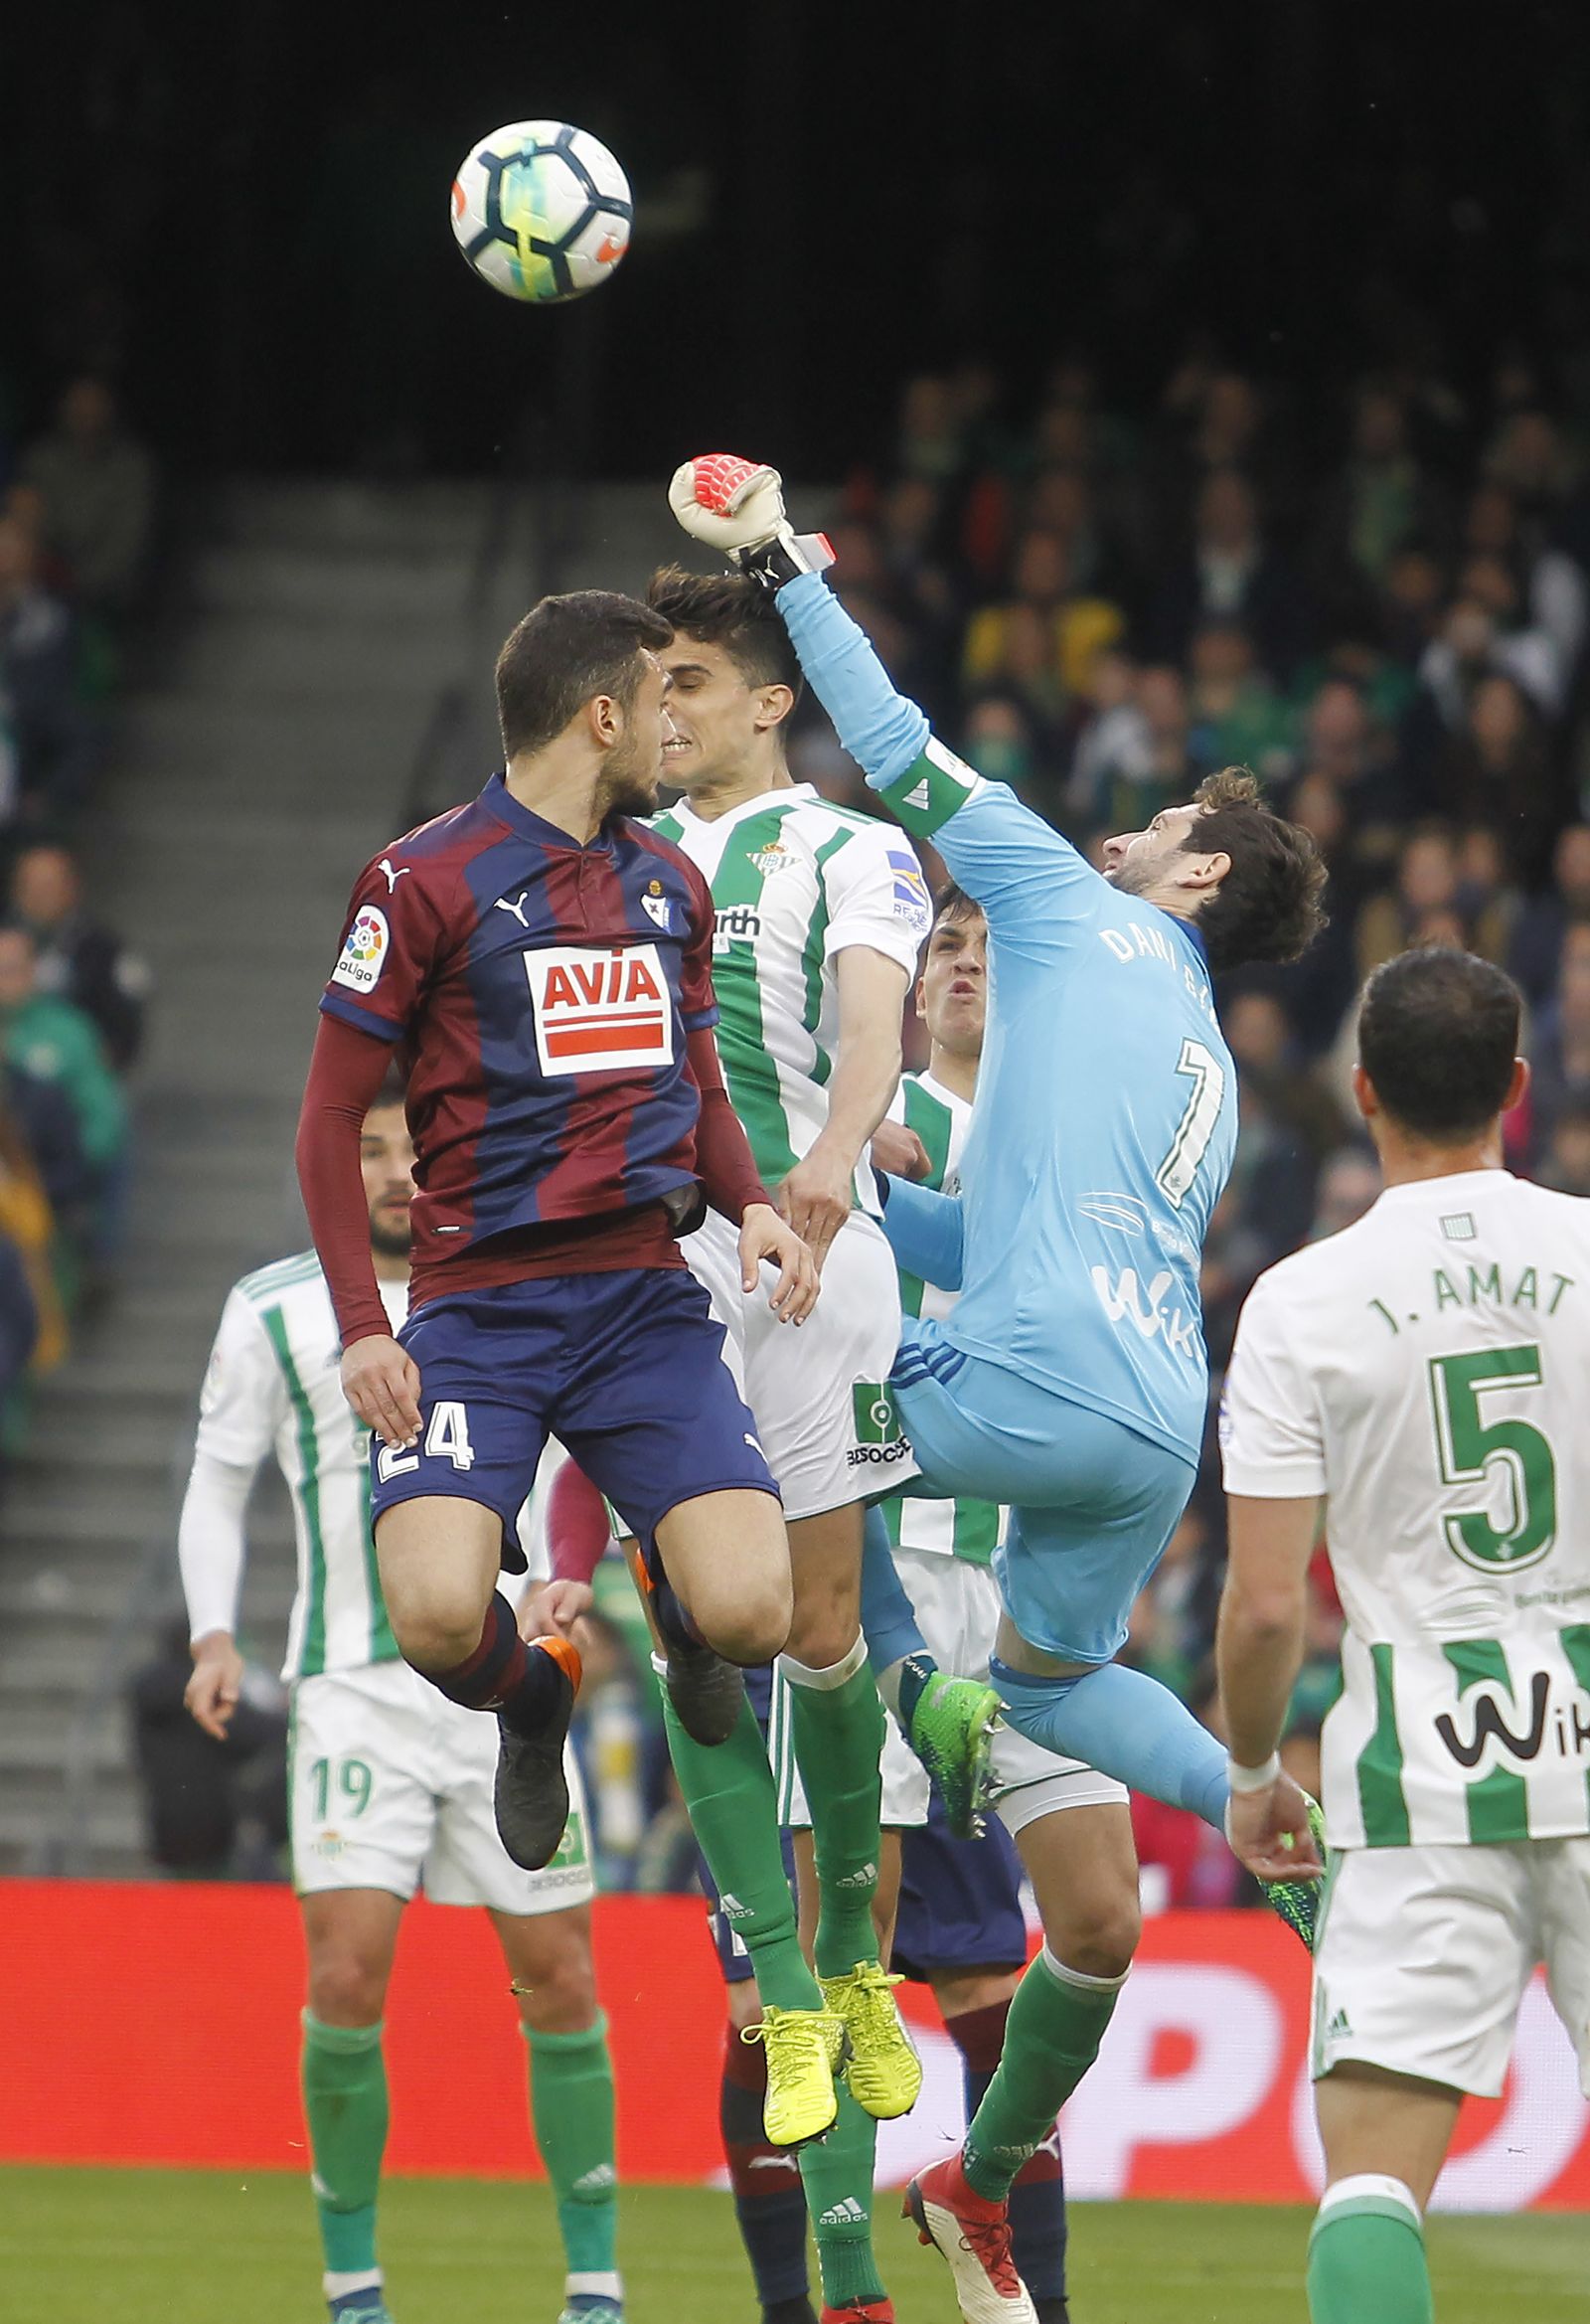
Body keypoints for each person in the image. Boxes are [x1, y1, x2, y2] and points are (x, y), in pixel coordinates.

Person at [666, 456, 1330, 2321]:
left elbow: (885, 734)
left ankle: (894, 1739)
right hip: (1146, 1418)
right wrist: (863, 1178)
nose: (1136, 820)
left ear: (1195, 869)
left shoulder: (1057, 898)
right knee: (1065, 1673)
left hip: (1039, 1381)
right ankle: (1259, 1804)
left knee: (798, 1461)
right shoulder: (1195, 1046)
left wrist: (785, 555)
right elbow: (1006, 1231)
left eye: (1171, 816)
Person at [294, 591, 861, 2157]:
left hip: (635, 1296)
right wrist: (364, 1321)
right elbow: (327, 1118)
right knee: (429, 1616)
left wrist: (749, 1206)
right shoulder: (425, 881)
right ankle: (530, 1697)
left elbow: (693, 1084)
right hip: (474, 1307)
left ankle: (676, 1627)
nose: (683, 727)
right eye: (658, 703)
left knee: (749, 1611)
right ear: (598, 716)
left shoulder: (667, 880)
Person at [183, 1081, 625, 2324]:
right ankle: (354, 2289)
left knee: (562, 1976)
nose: (393, 1171)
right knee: (346, 1975)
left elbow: (578, 1449)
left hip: (506, 1688)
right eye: (368, 1149)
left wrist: (557, 1576)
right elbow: (218, 1484)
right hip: (351, 1691)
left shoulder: (515, 1284)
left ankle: (594, 2284)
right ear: (336, 1165)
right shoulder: (273, 1311)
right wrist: (215, 1631)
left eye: (412, 1147)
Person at [636, 563, 939, 2316]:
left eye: (689, 678)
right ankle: (784, 1972)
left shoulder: (845, 845)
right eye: (649, 681)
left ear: (764, 698)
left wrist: (834, 1150)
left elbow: (881, 1013)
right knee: (695, 1629)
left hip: (818, 1255)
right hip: (665, 1262)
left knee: (823, 1631)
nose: (661, 707)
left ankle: (854, 1963)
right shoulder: (624, 856)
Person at [1216, 946, 1590, 2324]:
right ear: (1518, 1088)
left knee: (1373, 2177)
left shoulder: (1302, 1302)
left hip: (1419, 1772)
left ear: (1360, 1089)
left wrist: (1255, 1771)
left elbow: (1264, 1603)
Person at [11, 839, 150, 1070]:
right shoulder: (5, 941)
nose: (40, 896)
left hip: (76, 1070)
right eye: (31, 886)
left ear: (71, 888)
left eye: (49, 887)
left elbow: (124, 1021)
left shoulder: (102, 948)